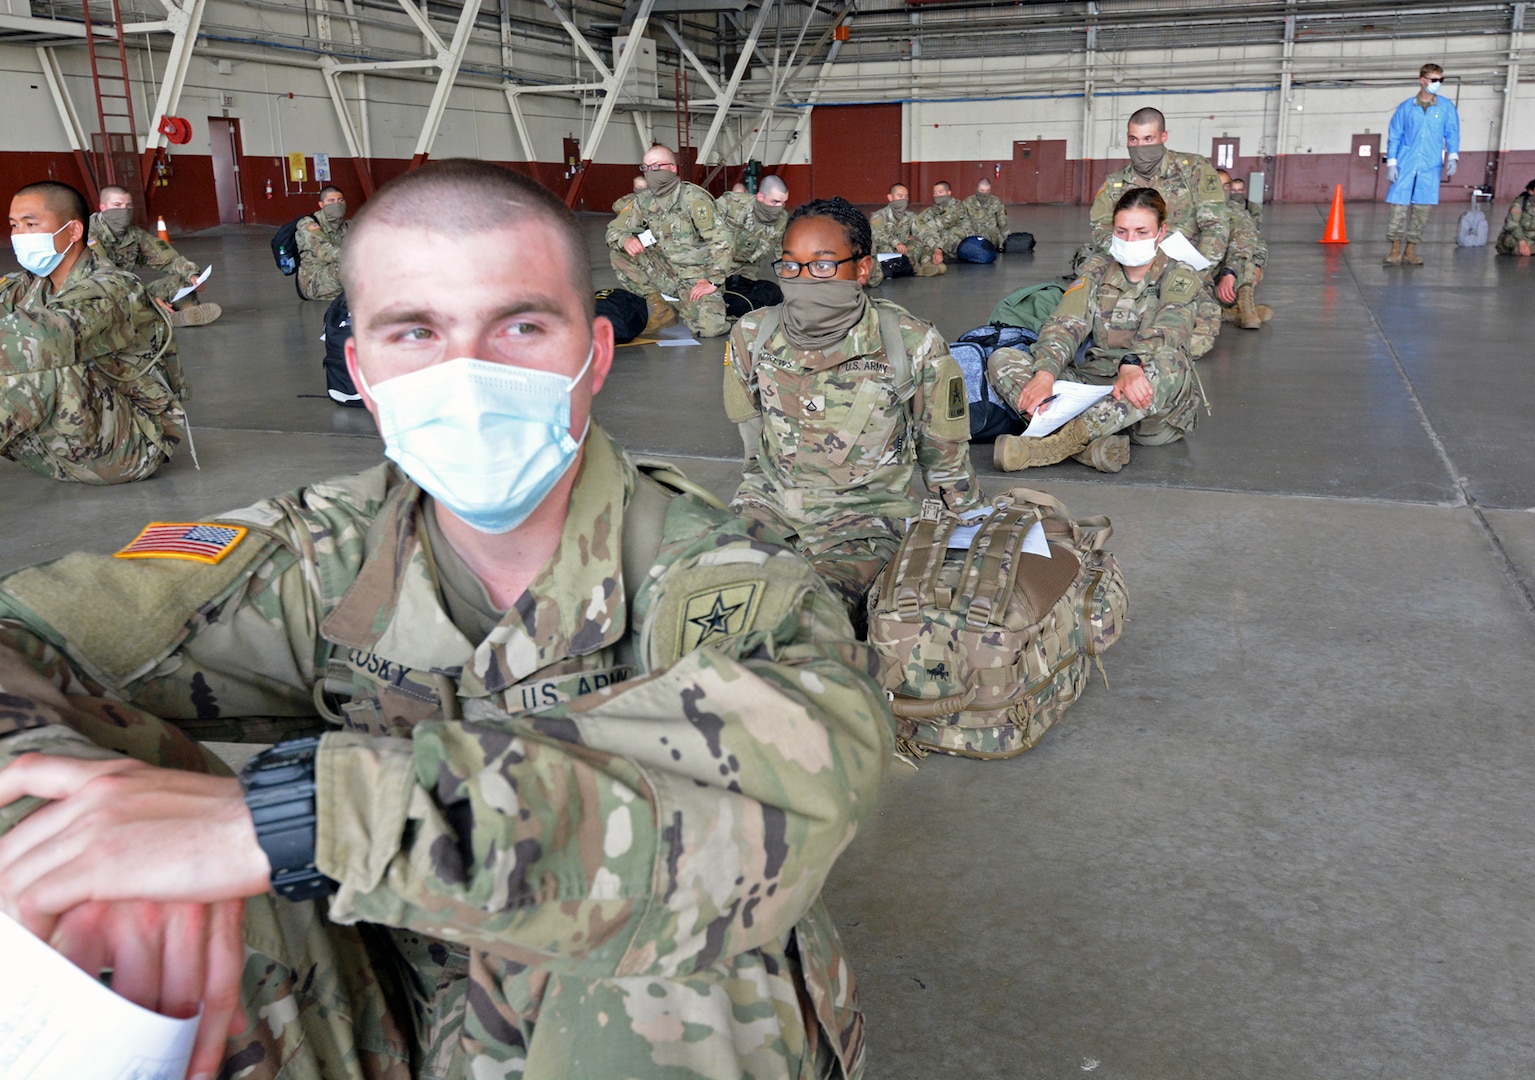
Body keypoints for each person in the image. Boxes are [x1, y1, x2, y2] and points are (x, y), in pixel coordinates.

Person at [0, 160, 890, 1080]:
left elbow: (801, 763)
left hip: (587, 1011)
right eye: (415, 331)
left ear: (595, 355)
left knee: (695, 950)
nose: (467, 374)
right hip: (371, 987)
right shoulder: (318, 552)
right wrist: (59, 818)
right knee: (81, 830)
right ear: (362, 369)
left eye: (519, 325)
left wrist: (302, 816)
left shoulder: (720, 579)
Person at [723, 196, 981, 621]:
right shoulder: (753, 334)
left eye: (823, 265)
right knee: (699, 601)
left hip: (862, 524)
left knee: (806, 622)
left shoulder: (912, 345)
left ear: (861, 269)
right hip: (768, 508)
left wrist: (969, 528)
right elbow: (752, 439)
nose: (803, 279)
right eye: (790, 266)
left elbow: (946, 462)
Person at [990, 187, 1206, 475]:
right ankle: (1092, 444)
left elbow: (1170, 329)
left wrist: (1132, 365)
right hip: (1096, 384)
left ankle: (1056, 444)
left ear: (1161, 232)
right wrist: (1046, 373)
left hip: (1146, 404)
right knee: (1003, 359)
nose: (1130, 240)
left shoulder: (1181, 274)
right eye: (1122, 231)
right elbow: (1066, 323)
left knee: (1172, 363)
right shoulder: (1097, 268)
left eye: (1142, 232)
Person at [3, 180, 186, 484]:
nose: (19, 236)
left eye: (30, 224)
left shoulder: (113, 287)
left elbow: (45, 338)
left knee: (41, 359)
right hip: (61, 451)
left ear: (73, 231)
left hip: (127, 449)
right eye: (13, 226)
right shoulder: (27, 285)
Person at [1079, 108, 1225, 357]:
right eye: (1133, 139)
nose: (1140, 146)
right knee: (1103, 332)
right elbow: (1100, 227)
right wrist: (1125, 250)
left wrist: (1200, 268)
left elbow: (1215, 226)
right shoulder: (1116, 183)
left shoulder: (1194, 170)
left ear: (1163, 136)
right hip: (1129, 267)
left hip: (1183, 265)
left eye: (1148, 139)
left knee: (1192, 345)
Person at [605, 143, 732, 337]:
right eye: (646, 168)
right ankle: (660, 307)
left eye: (656, 167)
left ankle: (702, 303)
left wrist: (713, 281)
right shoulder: (643, 201)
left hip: (697, 275)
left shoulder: (692, 198)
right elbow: (613, 231)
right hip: (666, 269)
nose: (650, 172)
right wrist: (625, 240)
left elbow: (722, 240)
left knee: (709, 330)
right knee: (618, 254)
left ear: (673, 168)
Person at [88, 185, 221, 327]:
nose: (124, 211)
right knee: (119, 305)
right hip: (98, 295)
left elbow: (169, 260)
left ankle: (187, 311)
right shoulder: (89, 235)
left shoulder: (134, 234)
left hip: (130, 289)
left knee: (181, 280)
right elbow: (106, 277)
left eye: (128, 206)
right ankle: (159, 314)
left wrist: (192, 275)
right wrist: (146, 296)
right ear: (102, 207)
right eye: (117, 205)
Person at [1383, 62, 1461, 267]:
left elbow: (1452, 132)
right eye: (1434, 80)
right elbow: (1395, 135)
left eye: (1440, 80)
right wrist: (1392, 162)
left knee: (1422, 207)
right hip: (1406, 162)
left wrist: (1453, 155)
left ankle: (1411, 250)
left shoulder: (1445, 107)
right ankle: (1394, 249)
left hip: (1430, 164)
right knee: (1398, 206)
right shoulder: (1406, 107)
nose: (1438, 84)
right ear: (1422, 80)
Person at [1215, 168, 1272, 330]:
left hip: (1229, 278)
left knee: (1247, 260)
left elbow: (1257, 241)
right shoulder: (1193, 209)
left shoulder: (1237, 211)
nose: (1222, 191)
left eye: (1227, 186)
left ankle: (1247, 310)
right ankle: (1234, 315)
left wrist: (1258, 265)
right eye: (1216, 185)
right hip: (1203, 275)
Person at [867, 183, 945, 285]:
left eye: (906, 197)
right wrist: (895, 242)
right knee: (887, 249)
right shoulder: (879, 216)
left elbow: (925, 232)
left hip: (903, 252)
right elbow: (877, 235)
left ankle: (926, 265)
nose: (903, 200)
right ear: (890, 197)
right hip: (885, 253)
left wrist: (937, 249)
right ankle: (917, 269)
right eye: (900, 196)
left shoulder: (910, 216)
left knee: (921, 243)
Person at [717, 173, 790, 272]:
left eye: (783, 202)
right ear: (760, 197)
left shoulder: (782, 218)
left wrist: (784, 277)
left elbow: (779, 251)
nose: (780, 207)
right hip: (717, 266)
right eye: (775, 201)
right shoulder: (731, 203)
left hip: (745, 271)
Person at [296, 184, 349, 300]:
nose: (337, 204)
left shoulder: (347, 225)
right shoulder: (308, 224)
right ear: (321, 205)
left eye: (340, 200)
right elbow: (324, 251)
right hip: (314, 282)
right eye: (331, 201)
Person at [1494, 177, 1535, 256]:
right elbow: (1511, 224)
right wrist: (1522, 241)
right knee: (1509, 239)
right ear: (1531, 191)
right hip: (1519, 236)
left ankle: (1530, 249)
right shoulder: (1520, 203)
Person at [917, 181, 973, 258]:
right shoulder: (935, 207)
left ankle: (933, 256)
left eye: (940, 192)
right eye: (935, 193)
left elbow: (937, 224)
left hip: (961, 240)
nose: (936, 195)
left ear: (949, 193)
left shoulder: (956, 207)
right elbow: (919, 219)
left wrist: (917, 231)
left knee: (929, 235)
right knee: (925, 236)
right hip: (943, 236)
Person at [964, 177, 1009, 249]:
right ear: (977, 189)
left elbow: (1002, 223)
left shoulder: (996, 202)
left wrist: (1007, 240)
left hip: (990, 234)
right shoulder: (968, 202)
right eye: (982, 190)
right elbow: (964, 221)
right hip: (972, 232)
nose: (984, 193)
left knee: (983, 240)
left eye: (987, 191)